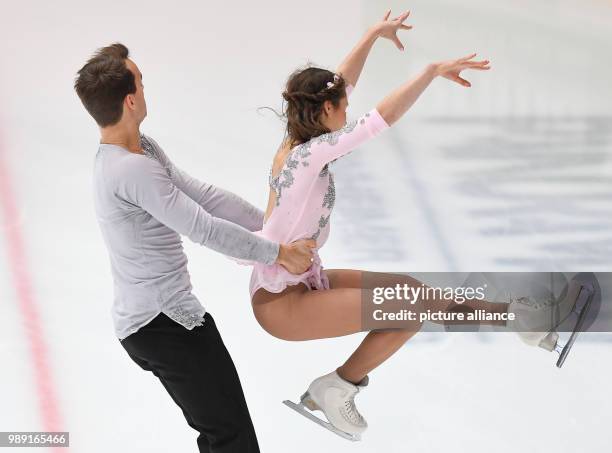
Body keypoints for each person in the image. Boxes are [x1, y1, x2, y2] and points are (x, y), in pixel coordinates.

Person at [230, 9, 503, 438]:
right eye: (343, 106)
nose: (348, 107)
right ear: (325, 110)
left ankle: (511, 319)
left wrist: (373, 34)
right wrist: (429, 72)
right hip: (282, 307)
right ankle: (337, 387)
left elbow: (340, 82)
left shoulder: (300, 139)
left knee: (413, 292)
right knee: (411, 307)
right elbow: (378, 121)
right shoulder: (308, 155)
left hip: (300, 283)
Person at [74, 42, 316, 453]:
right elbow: (203, 228)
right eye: (142, 84)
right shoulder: (129, 170)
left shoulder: (141, 148)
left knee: (229, 432)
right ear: (130, 100)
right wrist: (277, 253)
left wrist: (269, 227)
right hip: (160, 324)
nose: (147, 91)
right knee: (230, 436)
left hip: (164, 317)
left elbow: (202, 195)